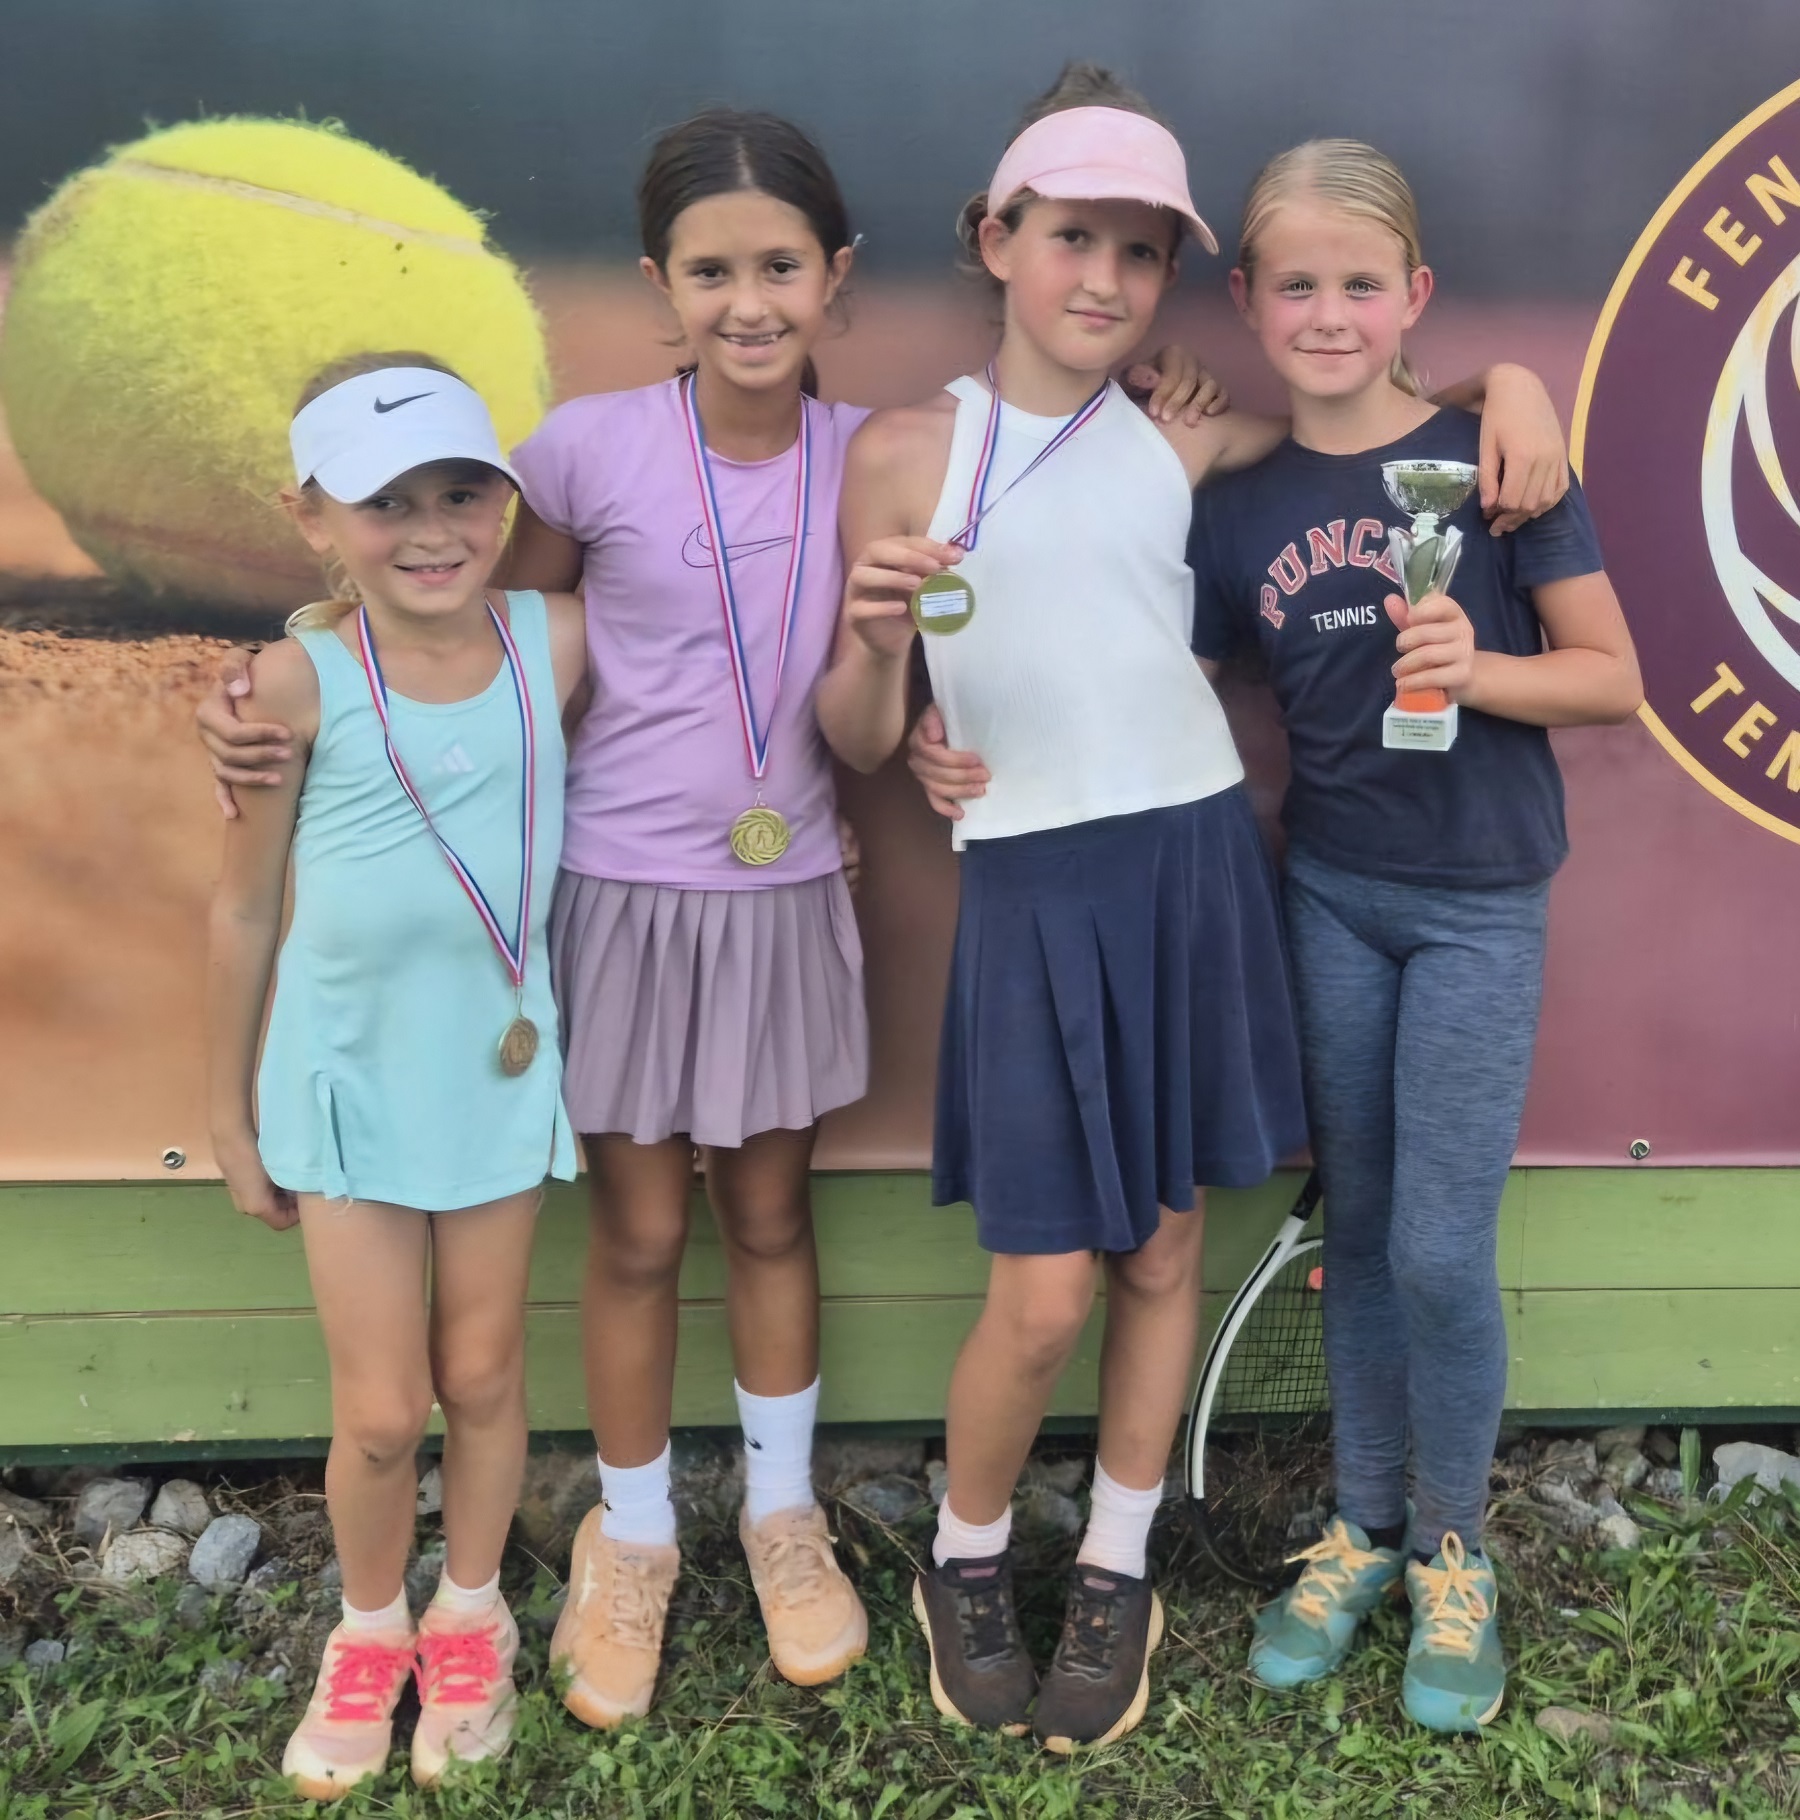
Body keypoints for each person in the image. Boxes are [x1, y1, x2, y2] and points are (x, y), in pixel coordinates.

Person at [195, 109, 1219, 1726]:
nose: (750, 302)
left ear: (838, 275)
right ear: (661, 284)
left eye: (782, 267)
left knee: (767, 1218)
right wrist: (279, 688)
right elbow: (476, 624)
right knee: (640, 1234)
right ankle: (637, 1533)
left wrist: (920, 727)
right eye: (712, 272)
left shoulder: (886, 453)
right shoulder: (587, 449)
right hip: (615, 901)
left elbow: (949, 633)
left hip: (788, 891)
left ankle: (783, 1516)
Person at [824, 67, 1576, 1753]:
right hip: (1033, 888)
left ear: (1175, 277)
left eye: (1139, 252)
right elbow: (859, 734)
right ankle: (964, 1558)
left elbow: (1381, 421)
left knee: (1164, 1250)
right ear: (995, 240)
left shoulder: (1187, 437)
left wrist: (1513, 379)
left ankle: (1117, 1566)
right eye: (1070, 239)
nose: (1103, 279)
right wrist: (880, 660)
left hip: (1194, 865)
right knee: (1042, 1296)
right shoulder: (905, 452)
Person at [1183, 139, 1640, 1734]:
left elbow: (1610, 677)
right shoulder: (1237, 504)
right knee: (1366, 1232)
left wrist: (1475, 669)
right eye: (1296, 285)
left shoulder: (1496, 460)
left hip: (1477, 907)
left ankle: (1456, 1546)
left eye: (1360, 284)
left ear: (1414, 295)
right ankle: (1364, 1528)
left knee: (1443, 1247)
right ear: (1248, 297)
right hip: (1331, 894)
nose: (1328, 314)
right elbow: (1186, 678)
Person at [207, 354, 588, 1797]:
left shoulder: (558, 641)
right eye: (386, 504)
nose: (432, 531)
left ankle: (471, 1618)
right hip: (347, 1089)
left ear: (504, 502)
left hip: (495, 1076)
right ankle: (369, 1632)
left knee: (482, 1372)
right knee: (379, 1411)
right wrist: (227, 1119)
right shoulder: (290, 684)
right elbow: (243, 909)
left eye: (460, 493)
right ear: (311, 518)